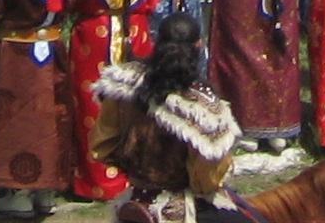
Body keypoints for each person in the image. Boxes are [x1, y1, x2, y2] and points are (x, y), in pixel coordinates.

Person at [87, 14, 236, 223]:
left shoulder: (125, 85)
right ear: (198, 45)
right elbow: (207, 179)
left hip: (135, 199)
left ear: (156, 42)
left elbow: (101, 146)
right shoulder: (204, 107)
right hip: (180, 207)